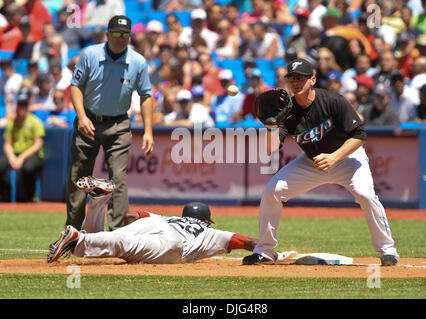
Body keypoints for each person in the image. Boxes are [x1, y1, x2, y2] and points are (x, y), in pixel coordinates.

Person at [242, 58, 399, 266]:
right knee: (272, 191)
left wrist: (334, 157)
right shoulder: (287, 111)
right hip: (311, 162)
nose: (295, 82)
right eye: (292, 78)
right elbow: (270, 148)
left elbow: (360, 135)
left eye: (301, 78)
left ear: (313, 79)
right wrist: (271, 126)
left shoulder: (333, 101)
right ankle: (265, 251)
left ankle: (388, 250)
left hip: (346, 158)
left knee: (366, 195)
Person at [66, 15, 154, 232]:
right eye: (117, 33)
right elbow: (75, 86)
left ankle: (118, 234)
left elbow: (146, 96)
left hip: (119, 125)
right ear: (108, 34)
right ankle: (73, 232)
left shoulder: (138, 62)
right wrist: (82, 117)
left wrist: (148, 131)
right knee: (79, 178)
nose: (121, 38)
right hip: (88, 121)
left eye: (126, 34)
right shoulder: (90, 54)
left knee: (118, 178)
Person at [47, 176, 259, 264]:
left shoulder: (171, 218)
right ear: (206, 220)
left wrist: (133, 230)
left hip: (156, 223)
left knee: (115, 238)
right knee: (124, 246)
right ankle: (78, 238)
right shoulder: (211, 232)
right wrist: (268, 253)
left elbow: (131, 216)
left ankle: (98, 201)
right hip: (175, 242)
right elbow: (250, 242)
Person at [0, 87, 45, 202]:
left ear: (28, 106)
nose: (22, 108)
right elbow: (7, 144)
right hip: (16, 153)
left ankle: (28, 196)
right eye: (20, 105)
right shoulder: (12, 123)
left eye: (24, 105)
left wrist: (20, 158)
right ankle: (7, 194)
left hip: (32, 154)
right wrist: (12, 158)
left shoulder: (34, 121)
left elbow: (38, 144)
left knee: (28, 167)